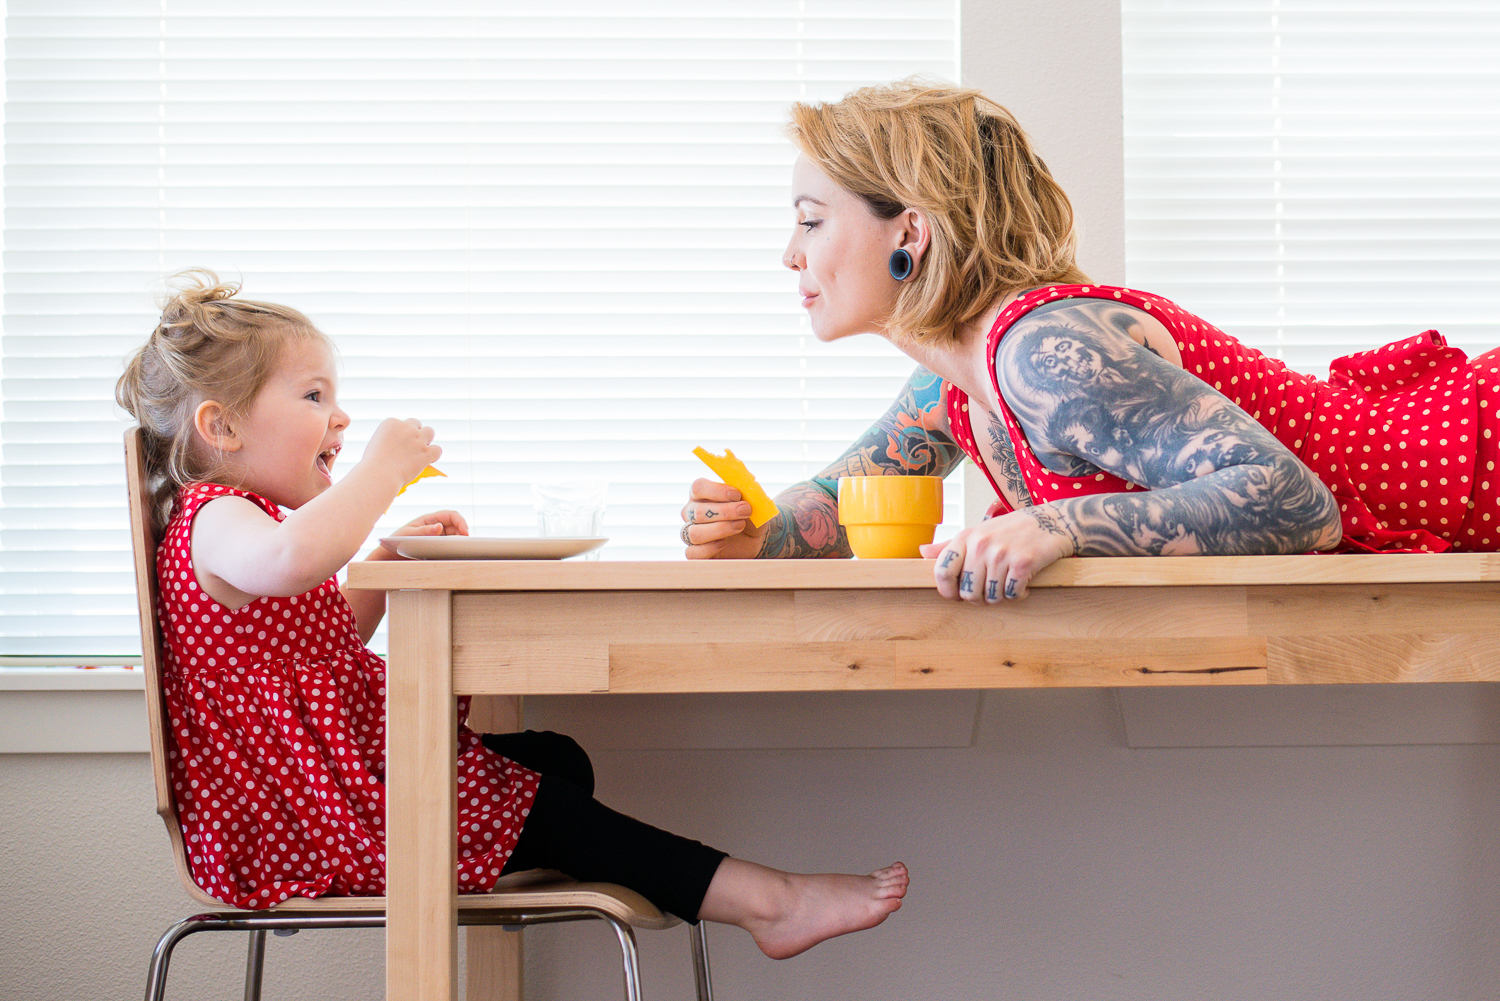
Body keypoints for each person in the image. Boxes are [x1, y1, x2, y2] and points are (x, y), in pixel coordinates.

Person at [116, 270, 908, 959]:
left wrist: (387, 561)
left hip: (330, 788)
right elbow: (293, 560)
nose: (341, 417)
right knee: (549, 805)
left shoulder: (251, 526)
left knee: (556, 760)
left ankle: (553, 838)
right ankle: (769, 902)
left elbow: (323, 642)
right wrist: (379, 474)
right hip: (299, 818)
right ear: (221, 426)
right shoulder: (216, 517)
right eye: (314, 396)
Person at [680, 80, 1500, 603]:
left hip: (1472, 452)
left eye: (811, 222)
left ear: (911, 234)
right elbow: (838, 504)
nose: (790, 254)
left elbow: (1295, 502)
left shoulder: (1041, 351)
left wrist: (1057, 527)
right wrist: (754, 533)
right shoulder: (953, 381)